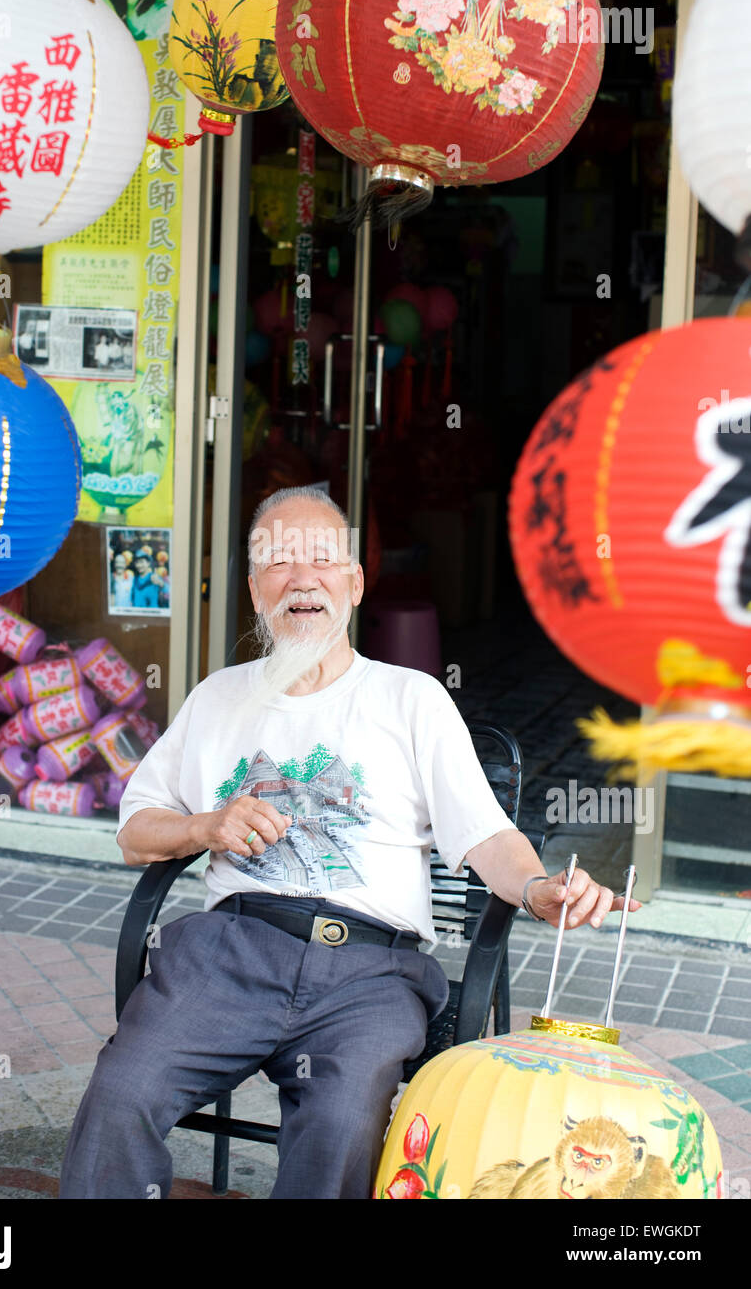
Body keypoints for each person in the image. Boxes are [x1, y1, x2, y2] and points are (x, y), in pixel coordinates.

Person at [59, 485, 640, 1200]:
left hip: (370, 972)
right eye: (278, 562)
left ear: (355, 581)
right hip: (229, 954)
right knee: (121, 1092)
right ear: (253, 588)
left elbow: (483, 832)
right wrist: (204, 827)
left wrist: (535, 889)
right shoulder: (217, 698)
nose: (301, 578)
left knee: (339, 1123)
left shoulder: (409, 698)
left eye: (322, 559)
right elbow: (135, 831)